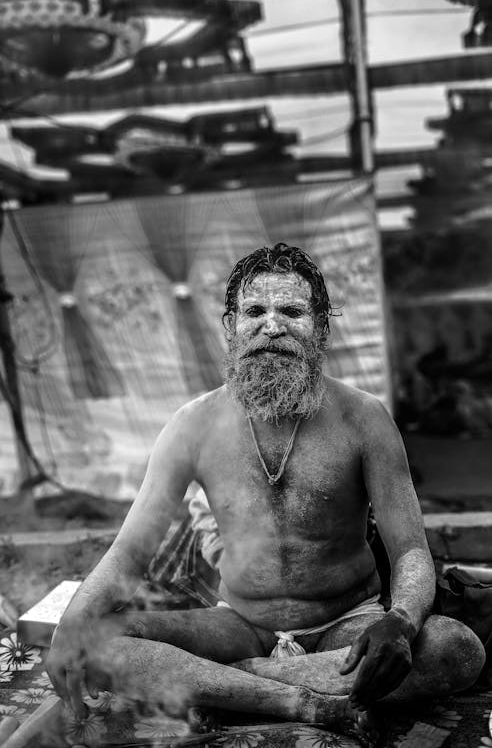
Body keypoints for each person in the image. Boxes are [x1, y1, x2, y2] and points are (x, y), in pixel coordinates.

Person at [47, 243, 485, 746]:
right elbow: (129, 554)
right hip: (237, 623)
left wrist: (402, 622)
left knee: (457, 648)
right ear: (231, 328)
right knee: (95, 643)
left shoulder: (364, 419)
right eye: (255, 311)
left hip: (345, 626)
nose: (271, 326)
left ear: (320, 329)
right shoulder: (190, 425)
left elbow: (409, 549)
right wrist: (71, 626)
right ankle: (298, 701)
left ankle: (228, 685)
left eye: (292, 312)